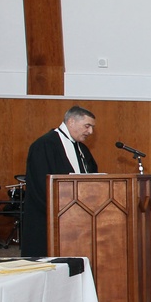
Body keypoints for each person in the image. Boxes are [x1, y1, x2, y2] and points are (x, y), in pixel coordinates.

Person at [22, 106, 99, 257]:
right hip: (48, 221)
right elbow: (40, 186)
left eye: (92, 127)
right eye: (87, 126)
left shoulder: (82, 149)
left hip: (76, 220)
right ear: (71, 122)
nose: (90, 132)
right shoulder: (44, 145)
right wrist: (62, 213)